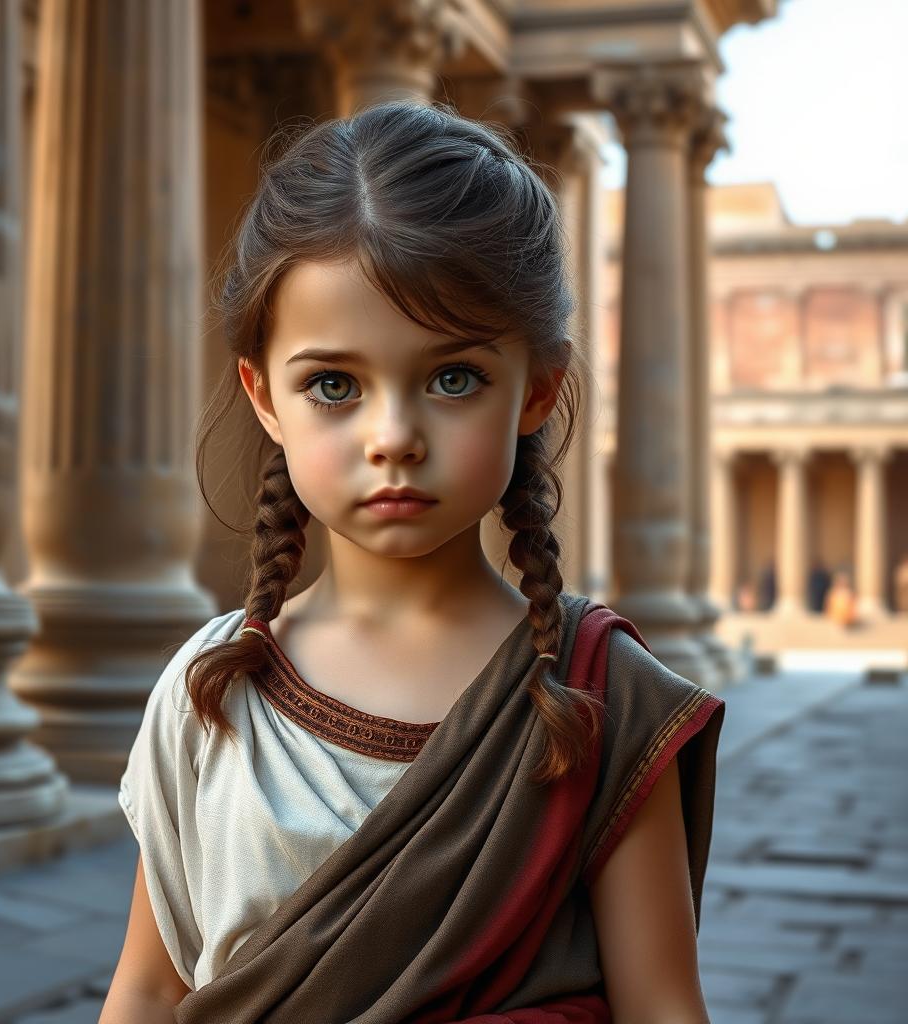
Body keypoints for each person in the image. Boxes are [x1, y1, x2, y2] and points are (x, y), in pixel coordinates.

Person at [101, 101, 725, 1024]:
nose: (393, 437)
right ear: (264, 396)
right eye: (334, 386)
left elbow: (663, 1008)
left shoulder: (602, 698)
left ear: (536, 387)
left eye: (452, 378)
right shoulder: (212, 689)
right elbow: (153, 989)